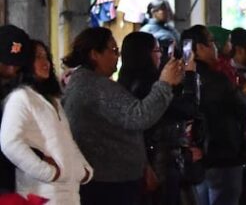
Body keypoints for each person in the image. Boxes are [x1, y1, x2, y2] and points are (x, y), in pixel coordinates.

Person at [62, 27, 185, 205]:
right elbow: (138, 116)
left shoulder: (88, 82)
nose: (117, 56)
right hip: (108, 181)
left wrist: (143, 164)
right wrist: (165, 83)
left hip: (111, 177)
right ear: (95, 54)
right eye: (113, 50)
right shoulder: (94, 86)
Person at [1, 41, 92, 203]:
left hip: (70, 193)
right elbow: (10, 143)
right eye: (38, 57)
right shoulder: (20, 97)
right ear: (26, 63)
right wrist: (49, 173)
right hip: (41, 194)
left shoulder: (53, 100)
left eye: (47, 57)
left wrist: (83, 170)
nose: (46, 63)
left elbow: (68, 141)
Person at [117, 32, 201, 205]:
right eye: (157, 50)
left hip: (144, 162)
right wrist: (191, 75)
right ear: (144, 54)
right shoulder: (149, 87)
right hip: (161, 163)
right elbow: (188, 109)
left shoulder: (124, 84)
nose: (161, 55)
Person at [182, 26, 246, 205]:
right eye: (212, 42)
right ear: (199, 48)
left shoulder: (180, 80)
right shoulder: (217, 80)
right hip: (223, 156)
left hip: (197, 160)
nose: (216, 47)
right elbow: (244, 109)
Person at [0, 25, 34, 195]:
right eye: (6, 62)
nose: (12, 69)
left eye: (17, 64)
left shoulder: (21, 89)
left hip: (15, 179)